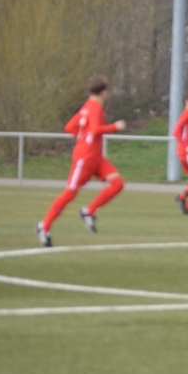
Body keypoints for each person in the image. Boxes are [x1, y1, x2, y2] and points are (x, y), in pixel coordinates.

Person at [35, 75, 127, 247]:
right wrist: (115, 126)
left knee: (117, 184)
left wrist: (82, 137)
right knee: (69, 193)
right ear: (103, 92)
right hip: (85, 158)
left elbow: (69, 127)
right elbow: (95, 129)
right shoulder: (95, 108)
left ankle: (88, 211)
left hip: (96, 158)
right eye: (107, 91)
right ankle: (44, 227)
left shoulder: (86, 106)